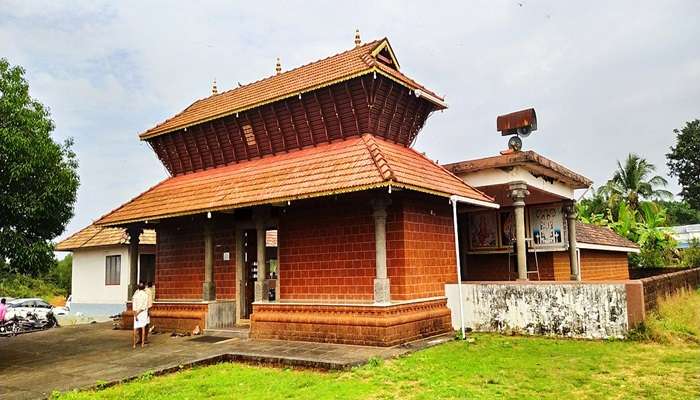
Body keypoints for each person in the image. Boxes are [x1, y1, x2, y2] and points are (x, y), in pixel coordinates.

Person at [132, 283, 149, 349]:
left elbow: (134, 306)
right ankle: (142, 343)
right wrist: (139, 312)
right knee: (143, 327)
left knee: (135, 328)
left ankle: (134, 344)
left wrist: (135, 314)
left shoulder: (135, 295)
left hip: (136, 313)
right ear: (144, 288)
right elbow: (144, 306)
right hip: (143, 313)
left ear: (138, 288)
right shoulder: (145, 295)